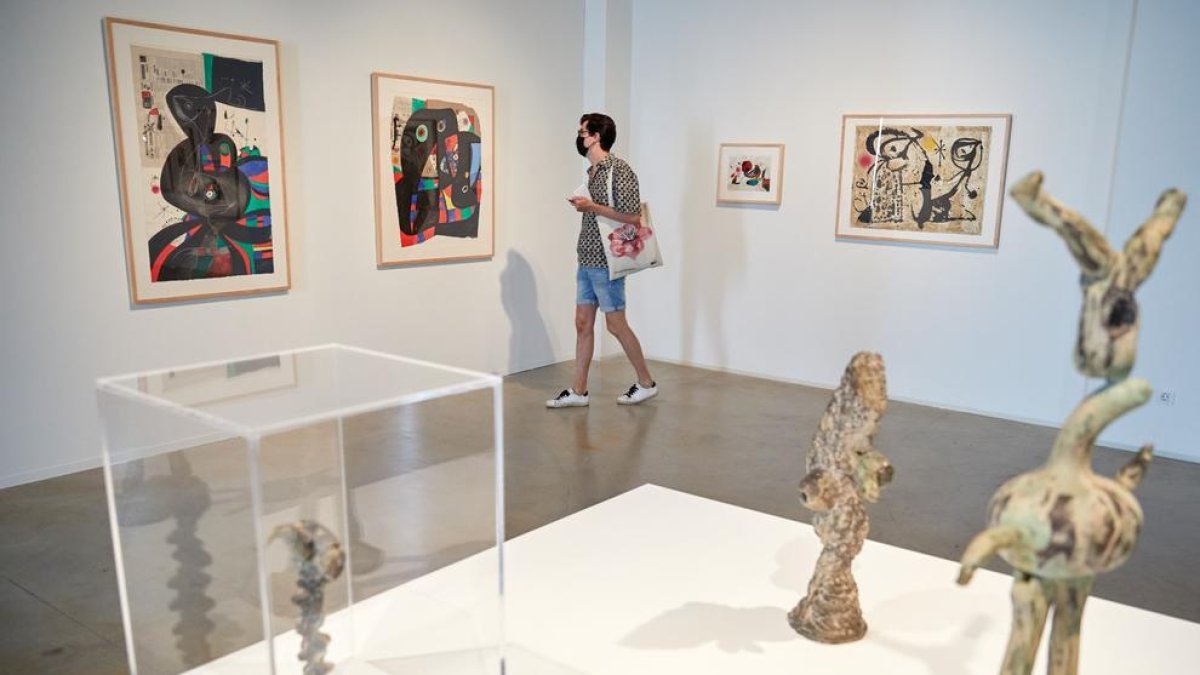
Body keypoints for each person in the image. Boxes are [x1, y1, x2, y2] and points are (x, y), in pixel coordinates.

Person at [546, 113, 657, 408]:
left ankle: (646, 382)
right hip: (587, 255)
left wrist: (591, 206)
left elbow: (634, 215)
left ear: (596, 136)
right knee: (583, 323)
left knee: (616, 324)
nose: (580, 137)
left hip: (607, 259)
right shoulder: (592, 171)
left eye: (583, 131)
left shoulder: (619, 170)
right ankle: (579, 390)